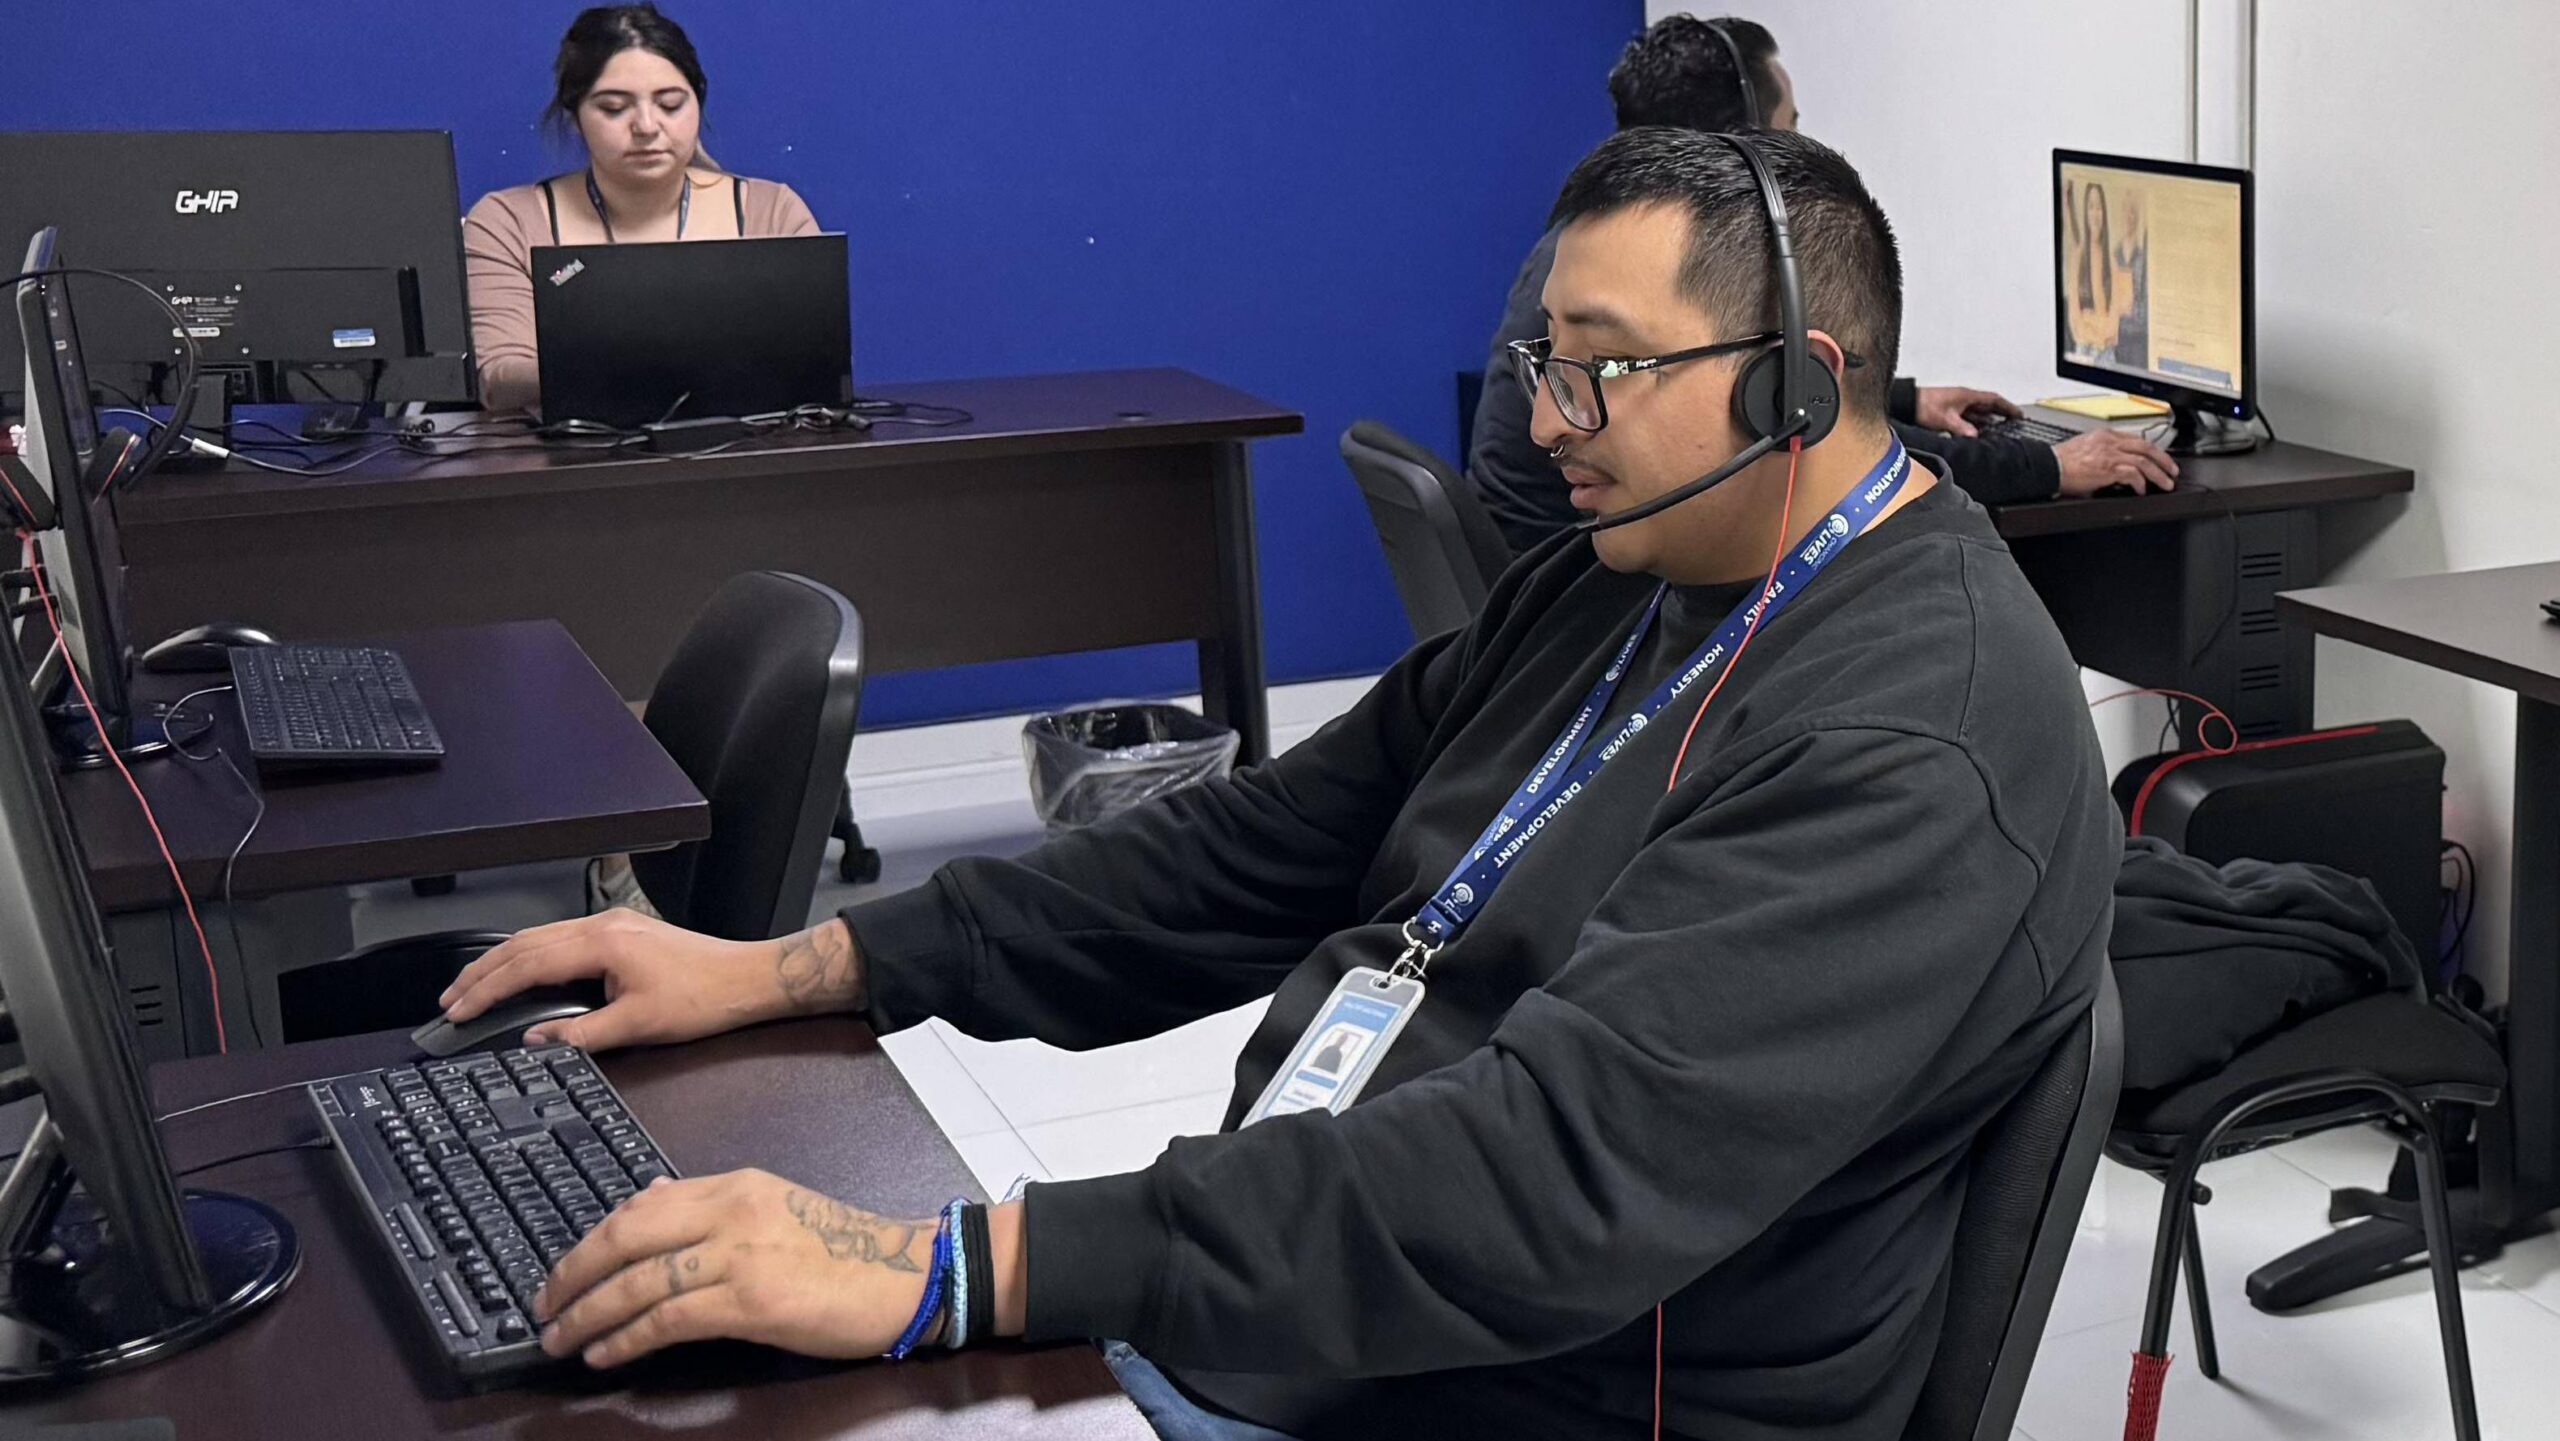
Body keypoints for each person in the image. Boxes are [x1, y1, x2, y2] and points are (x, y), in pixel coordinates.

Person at [433, 127, 2119, 1441]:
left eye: (1603, 367)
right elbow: (1259, 847)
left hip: (1534, 1393)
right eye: (1545, 360)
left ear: (1799, 386)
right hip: (1323, 1307)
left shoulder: (1916, 737)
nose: (1544, 424)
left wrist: (948, 1267)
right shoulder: (1625, 571)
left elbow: (1543, 1184)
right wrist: (802, 965)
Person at [1467, 15, 2176, 558]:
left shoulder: (1588, 244)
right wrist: (2046, 466)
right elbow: (1830, 444)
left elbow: (1771, 398)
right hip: (1583, 581)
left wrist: (1904, 397)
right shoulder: (1674, 274)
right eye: (1786, 131)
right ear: (1743, 140)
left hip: (1540, 567)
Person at [461, 4, 821, 414]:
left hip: (753, 463)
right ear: (576, 117)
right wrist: (680, 367)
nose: (647, 126)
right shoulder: (507, 223)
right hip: (570, 469)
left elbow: (814, 368)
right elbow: (502, 378)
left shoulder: (771, 212)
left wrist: (620, 369)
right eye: (614, 108)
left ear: (698, 106)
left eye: (670, 104)